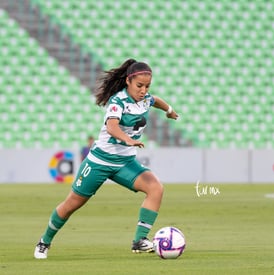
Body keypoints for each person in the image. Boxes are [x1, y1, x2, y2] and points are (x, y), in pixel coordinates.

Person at [34, 59, 179, 259]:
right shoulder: (118, 101)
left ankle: (139, 240)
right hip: (99, 162)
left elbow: (156, 100)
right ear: (128, 81)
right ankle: (44, 241)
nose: (143, 90)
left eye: (147, 86)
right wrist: (127, 139)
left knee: (156, 188)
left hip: (125, 163)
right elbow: (112, 126)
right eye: (139, 86)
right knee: (72, 204)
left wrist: (169, 111)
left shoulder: (146, 99)